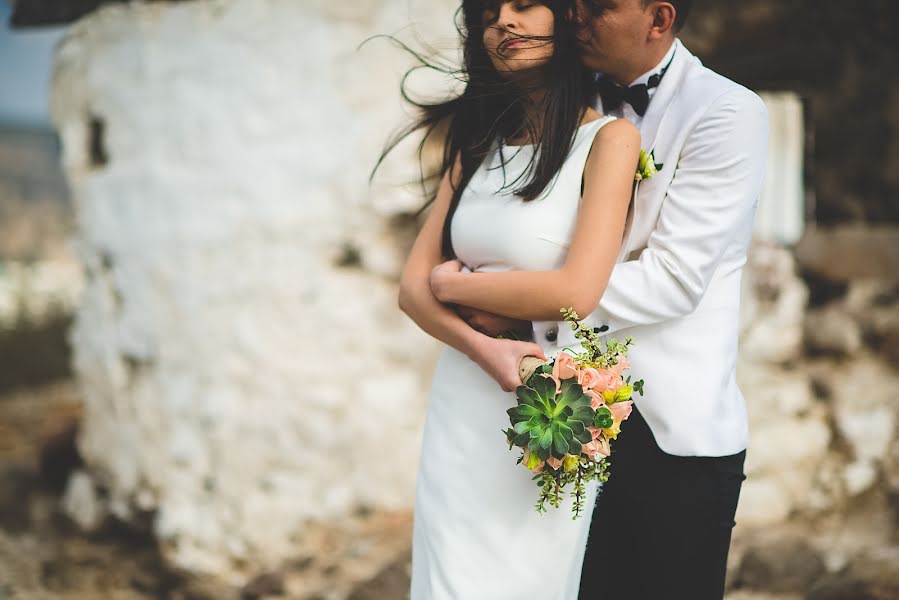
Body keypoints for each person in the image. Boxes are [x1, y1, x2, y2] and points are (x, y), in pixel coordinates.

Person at [447, 1, 769, 597]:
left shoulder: (726, 112)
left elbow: (674, 277)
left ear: (659, 19)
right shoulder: (555, 98)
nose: (576, 16)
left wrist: (523, 300)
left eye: (598, 6)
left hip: (667, 429)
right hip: (557, 416)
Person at [386, 1, 640, 597]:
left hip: (548, 406)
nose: (504, 21)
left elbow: (575, 291)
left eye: (526, 4)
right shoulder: (476, 142)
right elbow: (409, 290)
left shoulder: (610, 140)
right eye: (490, 12)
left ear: (570, 18)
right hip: (464, 401)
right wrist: (484, 349)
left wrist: (454, 286)